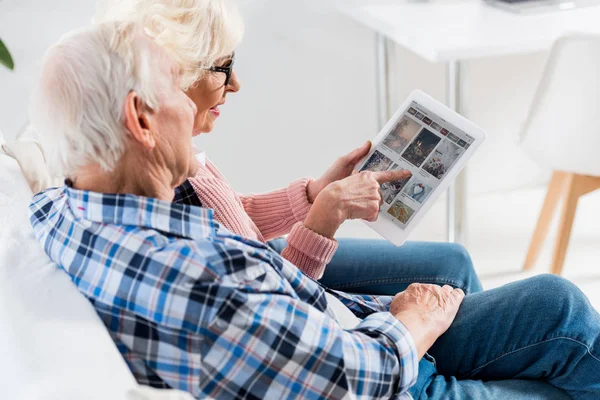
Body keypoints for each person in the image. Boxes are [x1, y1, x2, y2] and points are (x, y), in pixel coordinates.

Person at [29, 20, 600, 400]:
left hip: (347, 324)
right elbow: (355, 378)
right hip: (386, 370)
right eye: (178, 87)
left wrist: (312, 200)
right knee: (564, 323)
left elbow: (245, 246)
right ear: (142, 119)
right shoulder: (206, 278)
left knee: (552, 304)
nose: (199, 101)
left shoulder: (59, 204)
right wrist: (413, 322)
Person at [94, 0, 484, 300]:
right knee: (467, 284)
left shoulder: (174, 154)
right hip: (285, 278)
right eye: (223, 68)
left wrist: (314, 195)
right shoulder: (162, 181)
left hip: (272, 259)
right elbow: (274, 305)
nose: (236, 85)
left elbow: (235, 218)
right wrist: (324, 221)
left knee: (455, 262)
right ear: (173, 76)